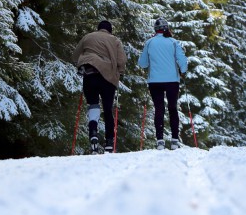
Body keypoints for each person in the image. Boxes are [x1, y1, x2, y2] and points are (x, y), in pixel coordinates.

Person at [72, 20, 127, 154]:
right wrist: (120, 71)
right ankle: (109, 142)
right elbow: (122, 61)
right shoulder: (115, 40)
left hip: (90, 74)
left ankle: (93, 133)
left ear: (98, 29)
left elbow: (75, 56)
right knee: (107, 109)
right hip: (108, 77)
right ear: (110, 30)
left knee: (93, 105)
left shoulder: (88, 37)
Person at [138, 17, 188, 150]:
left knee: (159, 109)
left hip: (155, 81)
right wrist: (183, 71)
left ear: (155, 29)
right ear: (167, 28)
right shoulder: (173, 42)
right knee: (173, 108)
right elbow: (182, 59)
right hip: (172, 80)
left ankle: (160, 140)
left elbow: (142, 64)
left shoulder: (150, 42)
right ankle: (174, 140)